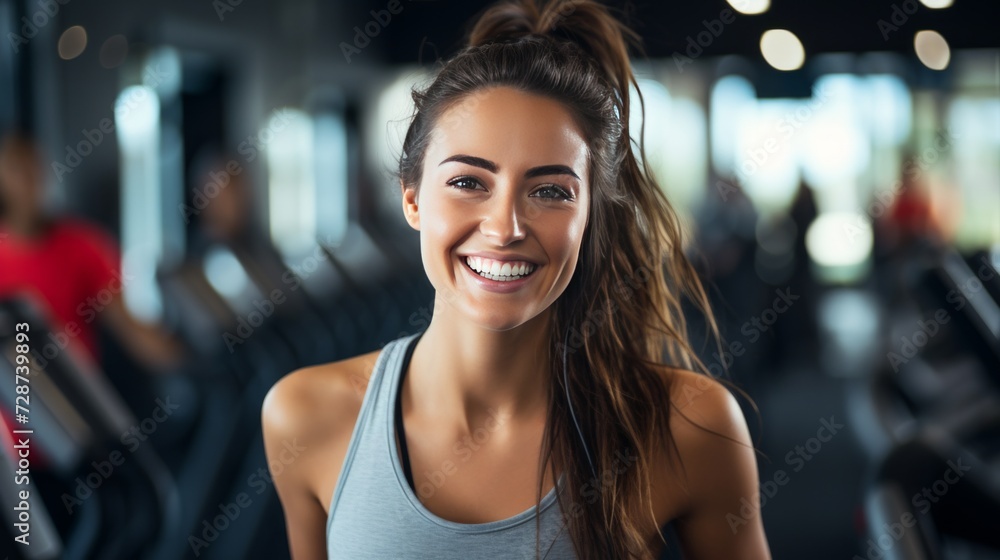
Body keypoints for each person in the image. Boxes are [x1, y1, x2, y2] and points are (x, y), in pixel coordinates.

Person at [262, 1, 771, 558]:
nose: (504, 228)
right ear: (411, 198)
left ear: (591, 215)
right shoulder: (305, 414)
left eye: (550, 191)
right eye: (468, 182)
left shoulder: (689, 425)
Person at [0, 130, 184, 370]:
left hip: (74, 398)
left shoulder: (83, 245)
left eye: (33, 166)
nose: (27, 179)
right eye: (16, 168)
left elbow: (132, 330)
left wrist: (189, 360)